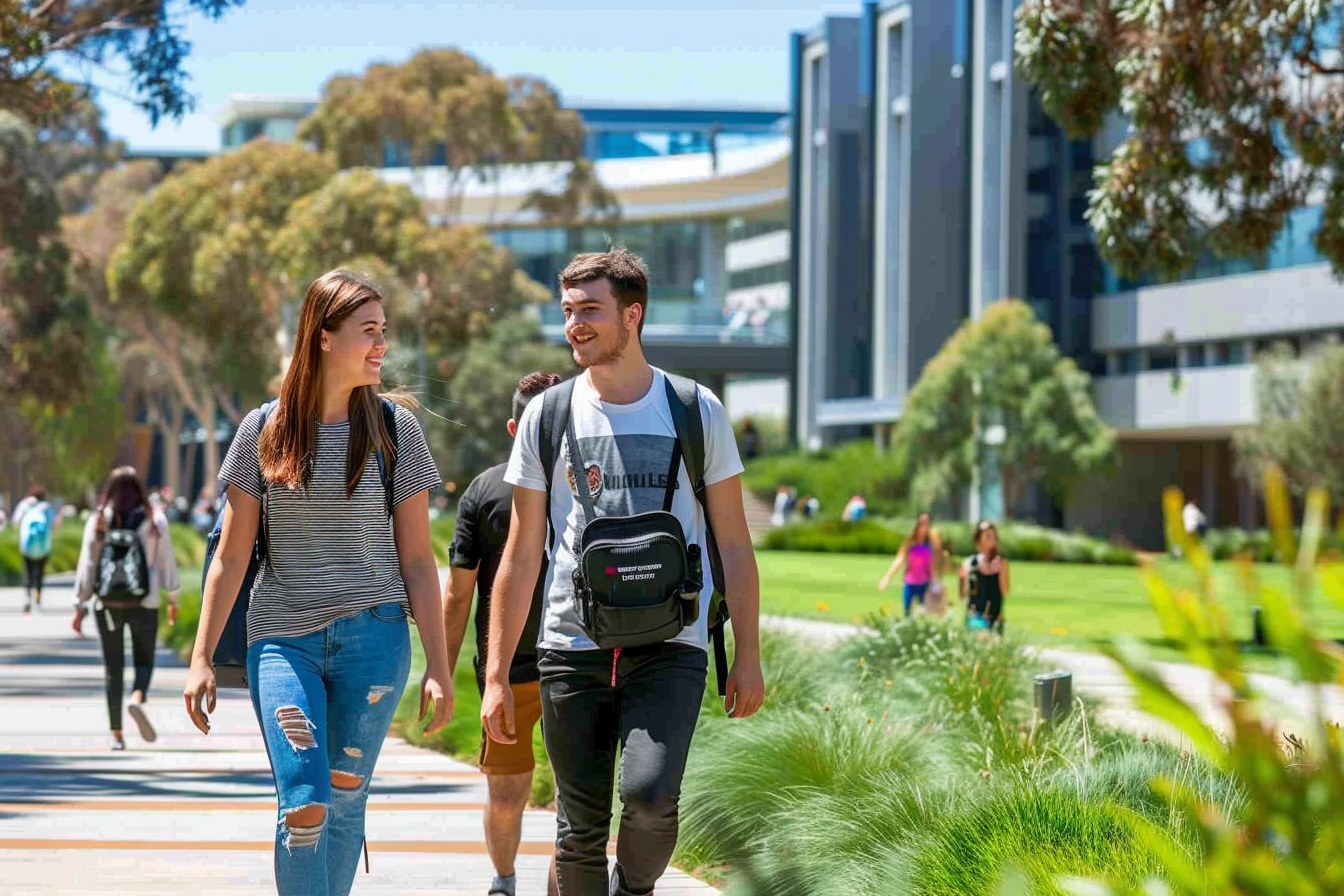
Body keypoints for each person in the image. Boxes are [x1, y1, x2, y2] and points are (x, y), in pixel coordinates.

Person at [481, 248, 766, 896]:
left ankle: (634, 889)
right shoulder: (547, 416)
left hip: (671, 642)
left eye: (590, 311)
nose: (574, 326)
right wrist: (497, 675)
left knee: (650, 795)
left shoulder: (695, 410)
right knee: (578, 827)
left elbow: (735, 542)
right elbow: (523, 553)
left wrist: (747, 652)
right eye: (568, 312)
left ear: (632, 315)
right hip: (570, 646)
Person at [183, 269, 452, 896]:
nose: (381, 345)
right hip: (282, 641)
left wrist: (439, 664)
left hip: (375, 641)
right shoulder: (263, 430)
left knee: (344, 801)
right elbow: (230, 553)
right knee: (304, 803)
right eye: (367, 332)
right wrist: (200, 657)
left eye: (383, 332)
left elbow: (418, 559)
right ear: (324, 337)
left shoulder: (394, 430)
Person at [443, 371, 563, 896]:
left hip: (507, 671)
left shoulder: (483, 490)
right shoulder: (592, 484)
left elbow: (457, 594)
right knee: (575, 804)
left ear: (515, 426)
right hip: (572, 665)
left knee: (506, 796)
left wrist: (440, 672)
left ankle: (503, 883)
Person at [72, 467, 180, 750]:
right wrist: (173, 597)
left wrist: (80, 605)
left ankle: (116, 734)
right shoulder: (155, 519)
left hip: (107, 603)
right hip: (146, 600)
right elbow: (166, 560)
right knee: (144, 660)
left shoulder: (98, 520)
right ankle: (138, 697)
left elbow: (88, 565)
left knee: (113, 667)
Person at [877, 512, 942, 616]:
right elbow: (899, 561)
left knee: (924, 613)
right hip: (910, 582)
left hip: (925, 583)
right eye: (922, 523)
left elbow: (933, 564)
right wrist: (887, 578)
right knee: (907, 612)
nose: (924, 527)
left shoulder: (931, 544)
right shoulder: (909, 543)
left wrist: (936, 582)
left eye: (927, 523)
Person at [960, 520, 1010, 633]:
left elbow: (1005, 590)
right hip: (975, 616)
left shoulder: (1002, 563)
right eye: (987, 535)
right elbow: (963, 593)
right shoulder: (969, 563)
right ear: (978, 539)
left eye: (993, 536)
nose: (992, 539)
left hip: (995, 615)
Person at [14, 485, 56, 613]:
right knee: (39, 573)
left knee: (28, 570)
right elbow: (53, 524)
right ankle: (37, 597)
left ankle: (27, 597)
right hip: (44, 546)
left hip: (26, 545)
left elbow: (16, 522)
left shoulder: (24, 505)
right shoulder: (46, 507)